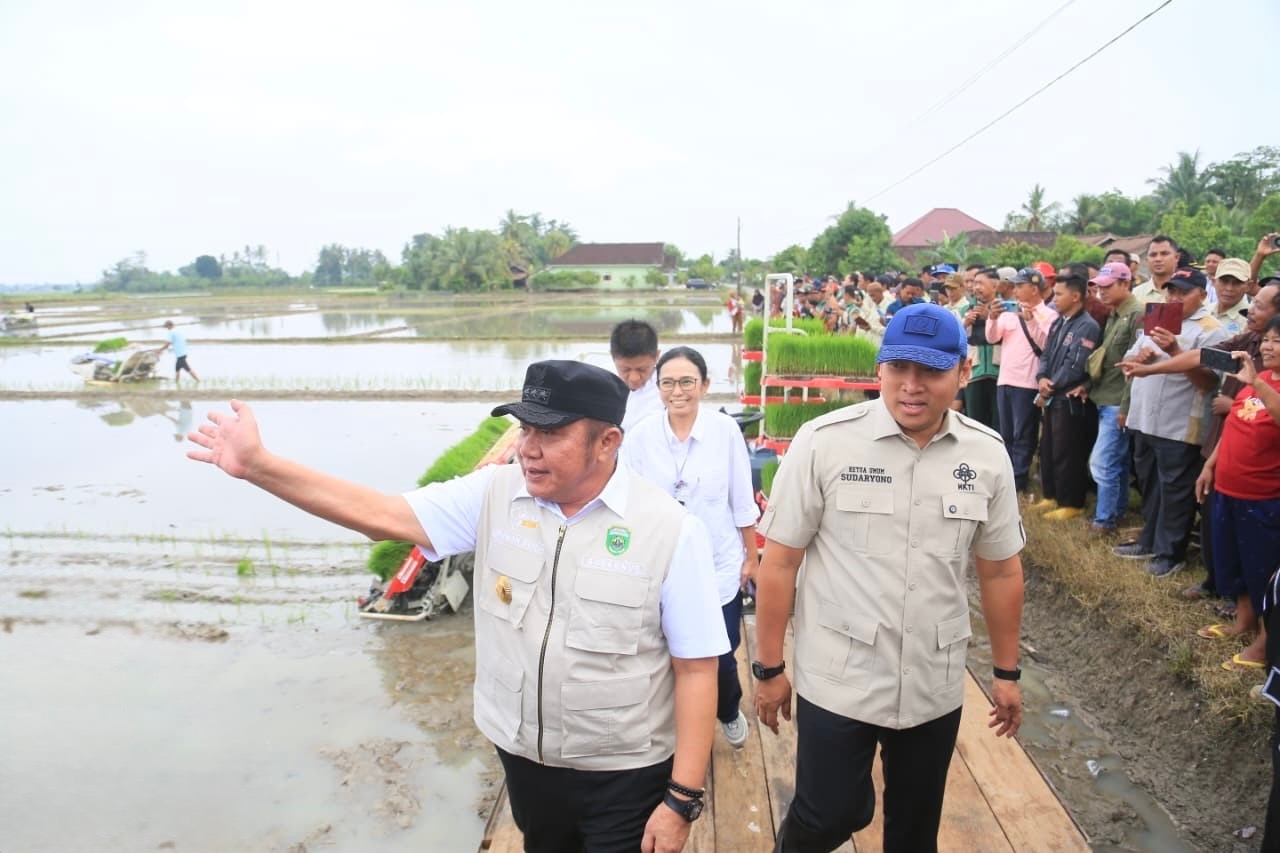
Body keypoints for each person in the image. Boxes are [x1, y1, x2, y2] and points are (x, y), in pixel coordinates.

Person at [186, 359, 729, 853]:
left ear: (607, 442)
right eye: (526, 429)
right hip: (525, 764)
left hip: (625, 771)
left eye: (552, 433)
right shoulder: (493, 495)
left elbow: (697, 667)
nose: (528, 448)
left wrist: (680, 800)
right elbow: (380, 513)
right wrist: (258, 465)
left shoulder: (670, 531)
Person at [753, 303, 1026, 853]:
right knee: (826, 814)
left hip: (933, 679)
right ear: (879, 369)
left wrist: (1007, 671)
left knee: (914, 831)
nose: (911, 386)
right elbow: (780, 561)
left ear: (963, 371)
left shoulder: (986, 454)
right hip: (840, 677)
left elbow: (1000, 571)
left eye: (930, 371)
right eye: (898, 368)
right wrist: (768, 667)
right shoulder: (825, 442)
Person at [622, 346, 759, 749]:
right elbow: (629, 502)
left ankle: (728, 709)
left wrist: (751, 557)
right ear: (657, 386)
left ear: (704, 385)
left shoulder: (724, 431)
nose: (676, 391)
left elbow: (741, 497)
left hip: (718, 561)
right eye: (667, 382)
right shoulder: (643, 436)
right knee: (665, 650)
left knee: (719, 653)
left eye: (686, 382)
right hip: (661, 564)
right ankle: (676, 726)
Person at [1116, 266, 1227, 577]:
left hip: (1180, 424)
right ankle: (1149, 540)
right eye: (1171, 290)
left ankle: (1170, 553)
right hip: (1145, 417)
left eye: (1183, 292)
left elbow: (1207, 382)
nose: (1175, 297)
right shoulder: (1157, 319)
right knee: (1150, 485)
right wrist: (1136, 362)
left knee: (1175, 489)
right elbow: (1134, 357)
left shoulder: (1212, 329)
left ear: (1203, 295)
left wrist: (1175, 349)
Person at [1193, 317, 1280, 669]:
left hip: (1263, 497)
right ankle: (1243, 621)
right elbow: (1235, 424)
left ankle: (1266, 640)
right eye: (1268, 340)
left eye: (1278, 341)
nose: (1269, 347)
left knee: (1263, 569)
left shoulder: (1259, 382)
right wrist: (1210, 464)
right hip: (1229, 488)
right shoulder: (1256, 380)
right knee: (1235, 562)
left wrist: (1256, 382)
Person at [1028, 265, 1101, 522]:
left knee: (1067, 451)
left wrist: (1053, 383)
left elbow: (1076, 364)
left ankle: (1072, 502)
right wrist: (1042, 377)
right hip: (1052, 395)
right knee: (1047, 449)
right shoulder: (1059, 321)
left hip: (1070, 400)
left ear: (1076, 296)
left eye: (1058, 294)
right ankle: (1052, 495)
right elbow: (1046, 355)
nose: (1054, 298)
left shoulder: (1087, 326)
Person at [986, 267, 1055, 497]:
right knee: (1006, 432)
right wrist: (992, 318)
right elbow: (992, 337)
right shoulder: (1009, 312)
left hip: (1028, 382)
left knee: (1023, 434)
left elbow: (1047, 346)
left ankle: (1019, 480)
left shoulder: (1048, 315)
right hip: (1005, 379)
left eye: (1019, 286)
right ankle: (1007, 476)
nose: (1015, 290)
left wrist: (1032, 321)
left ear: (1034, 289)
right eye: (1014, 286)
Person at [1086, 262, 1144, 534]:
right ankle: (1115, 513)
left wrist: (1126, 407)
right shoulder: (1114, 314)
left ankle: (1104, 520)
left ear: (1125, 283)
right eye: (1099, 287)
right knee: (1115, 463)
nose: (1101, 292)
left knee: (1103, 462)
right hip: (1104, 396)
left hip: (1117, 402)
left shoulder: (1137, 314)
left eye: (1108, 287)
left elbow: (1135, 368)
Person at [611, 319, 664, 432]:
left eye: (642, 369)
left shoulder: (669, 386)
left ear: (657, 356)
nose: (634, 378)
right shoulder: (600, 383)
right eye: (625, 370)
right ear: (612, 356)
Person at [159, 320, 200, 386]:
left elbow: (167, 344)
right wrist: (172, 350)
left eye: (166, 326)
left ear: (169, 325)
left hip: (180, 354)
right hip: (182, 353)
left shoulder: (171, 332)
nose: (166, 328)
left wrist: (160, 350)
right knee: (177, 369)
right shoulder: (178, 331)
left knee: (188, 369)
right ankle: (177, 383)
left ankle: (198, 381)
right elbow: (179, 342)